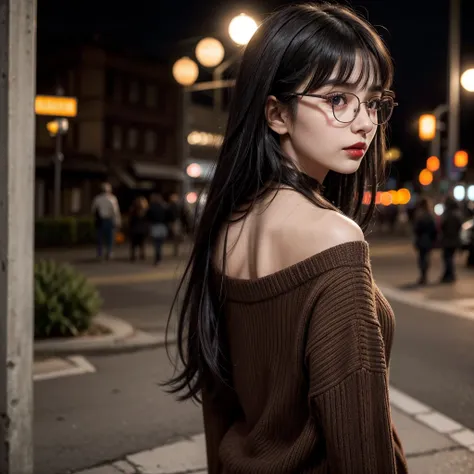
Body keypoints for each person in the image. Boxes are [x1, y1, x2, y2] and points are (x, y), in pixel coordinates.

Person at [164, 3, 407, 473]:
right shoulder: (335, 237)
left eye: (373, 101)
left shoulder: (226, 228)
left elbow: (220, 407)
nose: (364, 123)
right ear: (276, 113)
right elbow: (361, 447)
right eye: (338, 99)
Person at [91, 182, 121, 260]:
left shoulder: (97, 198)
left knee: (100, 238)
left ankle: (99, 253)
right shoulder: (112, 199)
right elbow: (115, 211)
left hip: (100, 220)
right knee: (110, 237)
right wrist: (118, 221)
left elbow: (93, 210)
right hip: (109, 219)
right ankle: (109, 252)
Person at [413, 197, 438, 285]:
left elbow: (416, 229)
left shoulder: (420, 216)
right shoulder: (430, 215)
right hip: (428, 240)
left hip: (422, 240)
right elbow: (434, 229)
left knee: (422, 258)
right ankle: (424, 276)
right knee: (425, 258)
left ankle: (423, 276)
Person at [439, 196, 463, 283]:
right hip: (454, 239)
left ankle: (450, 275)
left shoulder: (448, 214)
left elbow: (442, 226)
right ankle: (448, 274)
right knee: (449, 258)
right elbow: (460, 226)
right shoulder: (457, 214)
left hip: (448, 239)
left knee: (447, 258)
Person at [147, 193, 169, 265]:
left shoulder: (151, 207)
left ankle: (157, 258)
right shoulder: (163, 207)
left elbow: (148, 217)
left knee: (156, 243)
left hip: (155, 226)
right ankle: (159, 258)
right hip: (162, 226)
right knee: (160, 243)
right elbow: (168, 216)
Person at [128, 196, 149, 261]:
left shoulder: (133, 210)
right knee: (142, 243)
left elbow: (130, 221)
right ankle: (142, 255)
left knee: (134, 244)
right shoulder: (146, 210)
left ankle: (133, 256)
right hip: (142, 229)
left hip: (135, 229)